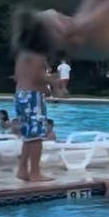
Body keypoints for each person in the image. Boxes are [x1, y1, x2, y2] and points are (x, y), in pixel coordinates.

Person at [14, 49, 65, 182]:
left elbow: (20, 76)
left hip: (20, 94)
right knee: (36, 137)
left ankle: (22, 169)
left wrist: (45, 88)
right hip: (32, 97)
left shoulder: (23, 54)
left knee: (28, 136)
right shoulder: (38, 54)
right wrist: (53, 81)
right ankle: (35, 173)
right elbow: (36, 76)